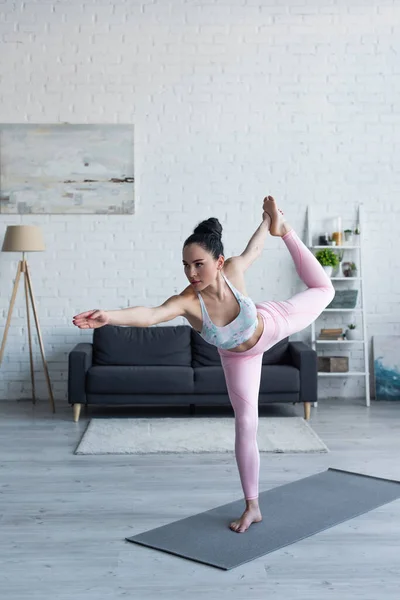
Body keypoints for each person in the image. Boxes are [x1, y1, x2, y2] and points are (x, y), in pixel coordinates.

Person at [72, 196, 335, 534]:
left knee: (324, 288)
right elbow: (150, 315)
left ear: (219, 262)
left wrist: (270, 224)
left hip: (272, 325)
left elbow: (254, 249)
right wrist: (109, 316)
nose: (191, 272)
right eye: (185, 265)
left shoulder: (234, 271)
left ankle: (286, 230)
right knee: (246, 424)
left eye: (198, 264)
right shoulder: (187, 303)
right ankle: (252, 507)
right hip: (240, 358)